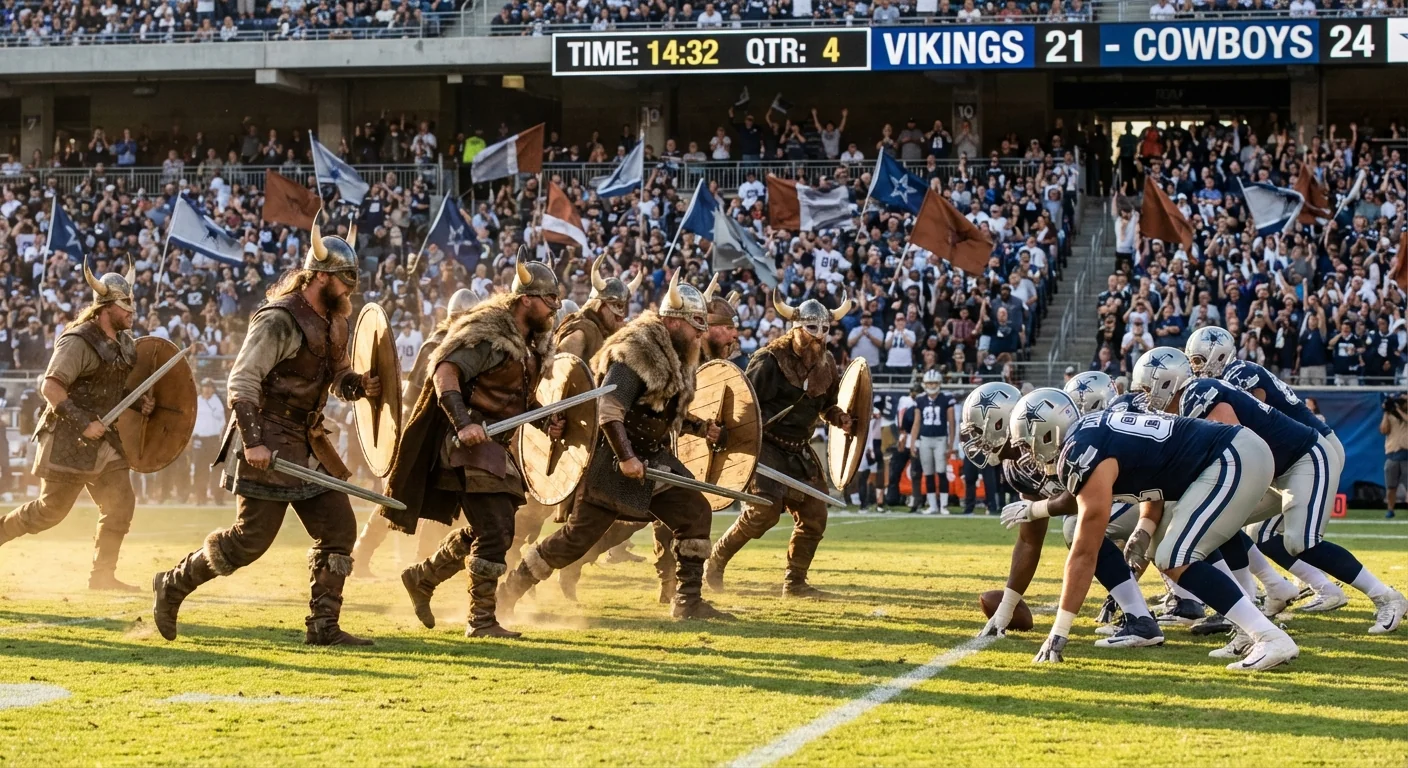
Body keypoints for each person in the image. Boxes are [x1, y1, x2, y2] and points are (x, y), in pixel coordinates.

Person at [152, 222, 380, 646]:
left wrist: (356, 385)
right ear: (321, 276)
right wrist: (253, 441)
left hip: (308, 442)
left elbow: (335, 377)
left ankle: (323, 626)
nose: (351, 290)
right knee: (249, 542)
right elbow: (241, 381)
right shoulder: (279, 319)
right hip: (265, 439)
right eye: (345, 281)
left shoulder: (335, 322)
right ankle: (173, 583)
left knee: (339, 528)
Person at [1015, 376, 1298, 671]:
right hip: (1237, 454)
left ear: (1045, 432)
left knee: (1175, 557)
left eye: (1025, 443)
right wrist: (1144, 528)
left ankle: (1268, 636)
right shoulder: (1092, 433)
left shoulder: (1080, 453)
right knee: (1171, 552)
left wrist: (1058, 633)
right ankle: (1252, 631)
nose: (1026, 454)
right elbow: (1155, 477)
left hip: (1232, 457)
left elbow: (1085, 552)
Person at [498, 271, 732, 620]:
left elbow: (661, 410)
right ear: (671, 322)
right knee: (576, 540)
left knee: (694, 512)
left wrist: (699, 428)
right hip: (612, 459)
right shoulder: (636, 354)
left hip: (651, 458)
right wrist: (626, 458)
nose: (701, 332)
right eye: (695, 324)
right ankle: (508, 592)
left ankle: (687, 602)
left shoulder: (676, 357)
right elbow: (609, 410)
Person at [1164, 352, 1407, 639]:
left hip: (1304, 458)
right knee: (1226, 523)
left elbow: (1235, 442)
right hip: (1275, 468)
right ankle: (1249, 607)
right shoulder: (1202, 391)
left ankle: (1385, 596)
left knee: (1301, 541)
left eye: (1145, 388)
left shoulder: (1205, 390)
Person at [385, 259, 563, 638]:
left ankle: (423, 577)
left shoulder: (526, 346)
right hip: (464, 444)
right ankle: (480, 620)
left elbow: (515, 403)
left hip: (494, 448)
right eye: (549, 299)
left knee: (492, 526)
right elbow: (444, 372)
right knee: (496, 528)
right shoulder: (487, 334)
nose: (555, 307)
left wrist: (547, 420)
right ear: (526, 299)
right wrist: (464, 423)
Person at [0, 261, 154, 591]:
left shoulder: (125, 343)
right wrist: (84, 423)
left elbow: (113, 388)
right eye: (125, 304)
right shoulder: (78, 341)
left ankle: (102, 576)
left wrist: (139, 401)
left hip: (104, 441)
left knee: (121, 504)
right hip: (69, 436)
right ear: (106, 306)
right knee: (49, 512)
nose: (132, 309)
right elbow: (51, 386)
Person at [984, 376, 1164, 649]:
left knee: (1170, 548)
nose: (977, 440)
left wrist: (1036, 508)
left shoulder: (1063, 435)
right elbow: (1030, 538)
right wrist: (1006, 608)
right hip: (1127, 499)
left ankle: (1161, 609)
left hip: (1147, 493)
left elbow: (1077, 499)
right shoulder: (1017, 467)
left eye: (979, 429)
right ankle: (1145, 613)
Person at [1185, 326, 1356, 610]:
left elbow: (1254, 425)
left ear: (1219, 354)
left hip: (1310, 452)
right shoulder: (1232, 376)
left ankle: (1376, 594)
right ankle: (1303, 587)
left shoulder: (1238, 375)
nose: (1196, 367)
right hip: (1291, 458)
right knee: (1257, 533)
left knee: (1298, 538)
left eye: (1200, 359)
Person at [705, 290, 855, 598]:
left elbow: (826, 406)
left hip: (799, 448)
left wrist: (838, 416)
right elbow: (743, 404)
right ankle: (716, 560)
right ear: (796, 327)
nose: (819, 336)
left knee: (815, 516)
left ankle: (795, 583)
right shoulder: (769, 360)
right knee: (763, 512)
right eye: (812, 328)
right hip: (766, 446)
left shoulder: (827, 365)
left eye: (825, 329)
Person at [510, 259, 643, 601]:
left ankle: (566, 568)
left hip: (587, 437)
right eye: (616, 307)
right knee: (535, 509)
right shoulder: (582, 331)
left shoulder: (608, 335)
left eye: (624, 308)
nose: (621, 315)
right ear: (599, 304)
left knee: (589, 516)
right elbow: (557, 379)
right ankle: (508, 566)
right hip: (561, 436)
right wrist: (557, 424)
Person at [349, 286, 481, 578]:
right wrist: (404, 444)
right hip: (422, 436)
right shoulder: (435, 347)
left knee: (437, 499)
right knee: (398, 496)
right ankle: (363, 554)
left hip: (448, 438)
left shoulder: (471, 351)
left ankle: (422, 563)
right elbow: (407, 400)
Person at [910, 369, 955, 514]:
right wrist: (912, 442)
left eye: (934, 382)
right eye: (929, 383)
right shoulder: (920, 399)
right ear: (924, 383)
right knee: (928, 473)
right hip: (924, 439)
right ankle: (932, 506)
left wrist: (951, 443)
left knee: (941, 472)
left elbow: (951, 422)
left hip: (940, 439)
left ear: (939, 383)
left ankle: (943, 505)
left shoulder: (946, 399)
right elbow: (916, 423)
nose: (931, 385)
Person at [191, 378, 225, 506]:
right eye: (205, 386)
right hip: (199, 439)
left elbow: (221, 419)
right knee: (200, 470)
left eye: (210, 387)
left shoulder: (217, 401)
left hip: (214, 439)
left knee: (218, 469)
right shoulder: (197, 401)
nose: (207, 389)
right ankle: (200, 497)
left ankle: (218, 498)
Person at [1383, 394, 1408, 520]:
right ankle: (1390, 510)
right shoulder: (1391, 415)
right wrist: (1386, 412)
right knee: (1391, 486)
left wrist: (1398, 409)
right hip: (1392, 454)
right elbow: (1383, 430)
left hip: (1406, 454)